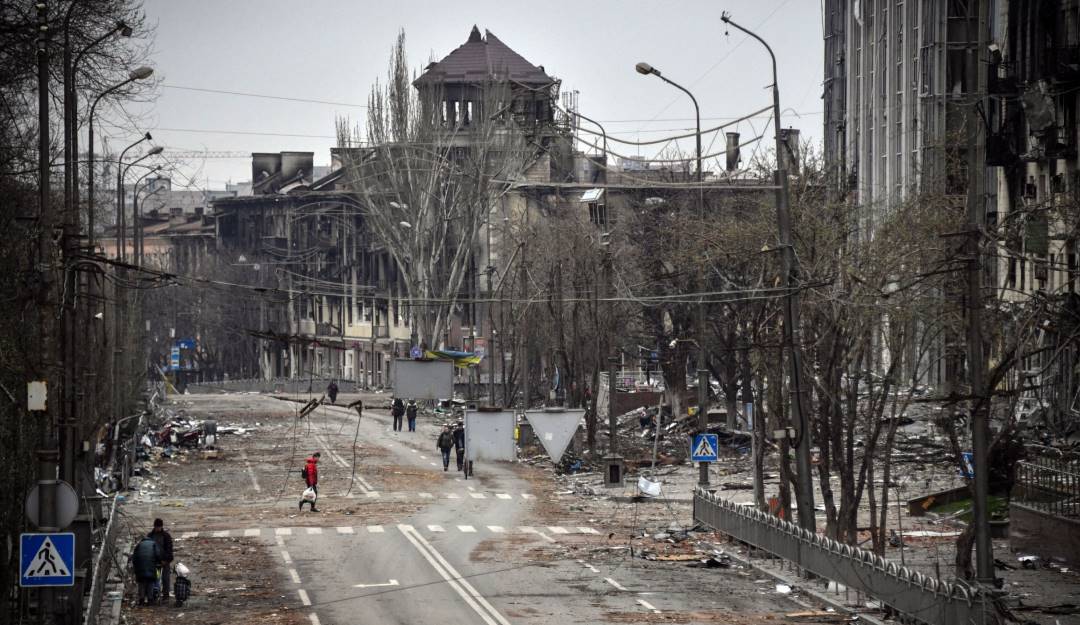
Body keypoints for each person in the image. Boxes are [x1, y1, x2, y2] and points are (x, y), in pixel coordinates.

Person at [131, 535, 162, 606]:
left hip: (140, 567)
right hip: (151, 566)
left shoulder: (139, 545)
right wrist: (159, 562)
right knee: (150, 582)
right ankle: (150, 599)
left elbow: (134, 557)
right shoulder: (154, 544)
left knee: (141, 582)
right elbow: (158, 554)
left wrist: (136, 568)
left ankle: (141, 599)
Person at [149, 518, 174, 602]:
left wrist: (165, 560)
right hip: (155, 562)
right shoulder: (150, 535)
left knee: (165, 578)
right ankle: (155, 594)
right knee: (156, 578)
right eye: (157, 527)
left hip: (165, 561)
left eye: (159, 527)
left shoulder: (166, 536)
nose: (158, 528)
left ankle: (165, 595)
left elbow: (169, 549)